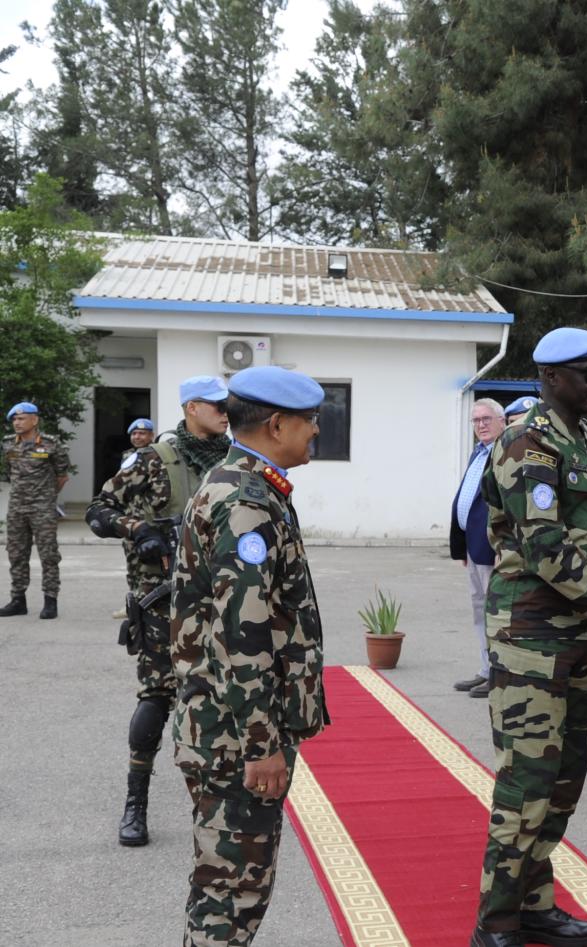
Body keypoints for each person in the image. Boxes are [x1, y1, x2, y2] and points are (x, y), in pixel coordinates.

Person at [472, 326, 587, 947]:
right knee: (527, 783)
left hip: (580, 634)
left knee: (564, 779)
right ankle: (496, 921)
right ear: (552, 378)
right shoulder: (527, 443)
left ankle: (534, 903)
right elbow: (547, 549)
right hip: (531, 639)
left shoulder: (586, 442)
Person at [169, 366, 329, 946]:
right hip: (235, 736)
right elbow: (244, 635)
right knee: (233, 894)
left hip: (223, 724)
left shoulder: (242, 484)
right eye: (310, 420)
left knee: (227, 885)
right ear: (277, 424)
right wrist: (261, 746)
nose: (316, 430)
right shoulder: (246, 502)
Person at [85, 376, 233, 847]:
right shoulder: (153, 460)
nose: (225, 412)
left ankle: (217, 803)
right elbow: (98, 511)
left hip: (221, 600)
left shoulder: (234, 461)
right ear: (191, 408)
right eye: (216, 405)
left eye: (228, 405)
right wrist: (139, 530)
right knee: (156, 696)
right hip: (162, 602)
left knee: (221, 697)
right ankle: (136, 804)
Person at [450, 397, 507, 698]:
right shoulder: (479, 451)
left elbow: (509, 506)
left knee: (495, 613)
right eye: (476, 420)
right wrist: (463, 547)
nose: (481, 425)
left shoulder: (505, 453)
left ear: (502, 421)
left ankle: (499, 673)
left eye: (486, 419)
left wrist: (503, 548)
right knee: (479, 611)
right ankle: (486, 669)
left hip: (492, 550)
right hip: (474, 549)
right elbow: (469, 499)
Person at [1, 401, 71, 619]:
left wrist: (46, 497)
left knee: (48, 554)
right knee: (16, 553)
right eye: (14, 419)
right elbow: (11, 473)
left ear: (34, 420)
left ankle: (50, 601)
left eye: (21, 419)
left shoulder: (51, 444)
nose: (17, 423)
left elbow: (62, 476)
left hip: (42, 508)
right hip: (16, 508)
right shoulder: (8, 444)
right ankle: (18, 600)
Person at [114, 418, 158, 617]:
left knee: (151, 565)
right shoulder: (127, 456)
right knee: (132, 562)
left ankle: (150, 604)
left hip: (151, 518)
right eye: (134, 433)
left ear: (151, 436)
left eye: (142, 433)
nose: (137, 437)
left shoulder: (157, 455)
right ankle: (132, 603)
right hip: (130, 519)